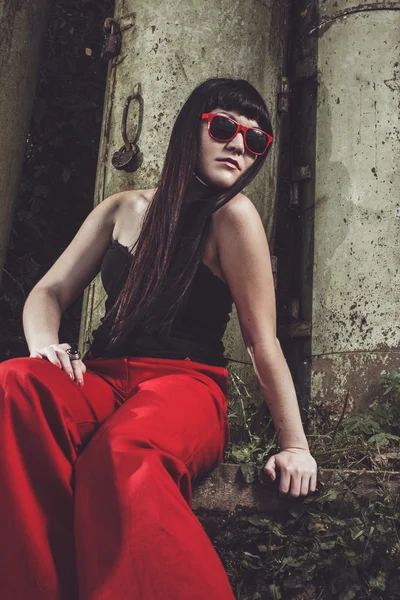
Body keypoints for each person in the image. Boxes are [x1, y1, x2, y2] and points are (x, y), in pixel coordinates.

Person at [0, 78, 317, 600]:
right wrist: (43, 346)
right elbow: (49, 291)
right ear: (191, 129)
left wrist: (295, 446)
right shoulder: (121, 209)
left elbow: (263, 343)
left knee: (121, 452)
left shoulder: (233, 217)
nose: (239, 146)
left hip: (186, 387)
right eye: (224, 128)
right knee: (15, 383)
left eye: (256, 141)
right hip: (101, 379)